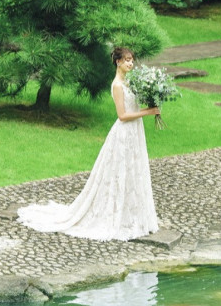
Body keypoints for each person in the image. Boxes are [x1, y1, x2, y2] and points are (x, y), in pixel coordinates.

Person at [17, 47, 160, 241]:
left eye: (132, 60)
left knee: (135, 170)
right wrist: (148, 112)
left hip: (136, 132)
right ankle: (116, 216)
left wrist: (153, 96)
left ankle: (134, 215)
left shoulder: (131, 81)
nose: (130, 63)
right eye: (127, 60)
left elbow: (134, 103)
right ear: (118, 61)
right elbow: (123, 115)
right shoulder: (117, 85)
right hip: (125, 132)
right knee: (120, 172)